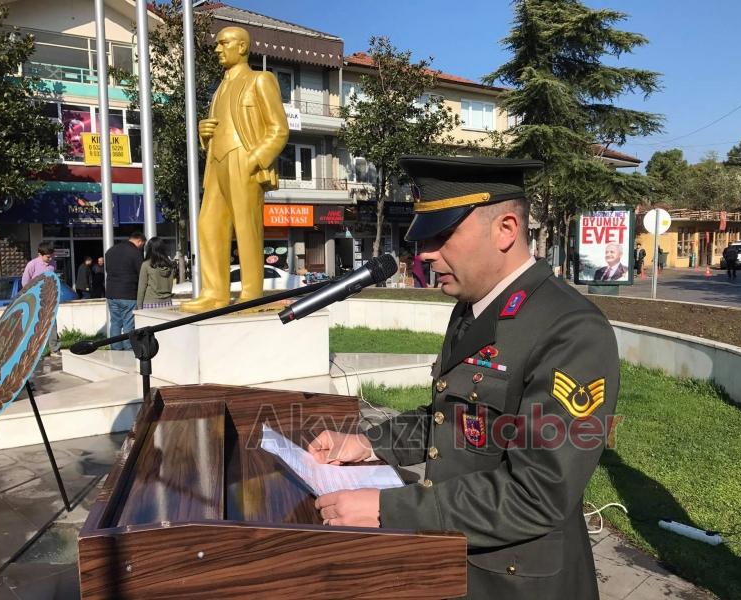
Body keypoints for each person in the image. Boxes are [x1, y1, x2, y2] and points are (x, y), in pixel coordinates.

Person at [307, 156, 619, 599]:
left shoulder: (570, 329)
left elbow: (538, 492)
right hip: (455, 563)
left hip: (517, 582)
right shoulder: (473, 307)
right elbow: (451, 419)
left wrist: (391, 508)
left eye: (442, 235)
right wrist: (367, 443)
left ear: (506, 229)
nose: (425, 254)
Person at [181, 26, 289, 313]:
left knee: (246, 227)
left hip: (244, 160)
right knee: (208, 225)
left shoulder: (260, 80)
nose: (217, 49)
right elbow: (221, 127)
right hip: (216, 162)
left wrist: (254, 159)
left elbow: (279, 129)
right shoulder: (219, 89)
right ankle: (215, 293)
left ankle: (251, 293)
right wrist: (205, 134)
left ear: (241, 47)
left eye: (223, 43)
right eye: (217, 44)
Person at [105, 232, 145, 350]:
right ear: (139, 241)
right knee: (128, 323)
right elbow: (141, 273)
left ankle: (115, 348)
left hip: (111, 293)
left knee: (115, 322)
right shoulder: (135, 252)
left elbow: (108, 270)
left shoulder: (111, 251)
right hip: (128, 293)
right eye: (142, 244)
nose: (142, 247)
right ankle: (129, 348)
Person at [21, 243, 60, 355]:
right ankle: (32, 351)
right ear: (40, 254)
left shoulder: (53, 264)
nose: (50, 259)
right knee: (35, 324)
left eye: (52, 256)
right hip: (35, 299)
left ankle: (54, 349)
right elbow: (25, 282)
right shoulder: (32, 264)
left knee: (52, 322)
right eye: (48, 256)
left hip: (49, 298)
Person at [137, 237, 175, 310]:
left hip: (150, 302)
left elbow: (142, 287)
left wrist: (139, 306)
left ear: (149, 249)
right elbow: (170, 285)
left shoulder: (146, 265)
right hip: (167, 302)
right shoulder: (170, 265)